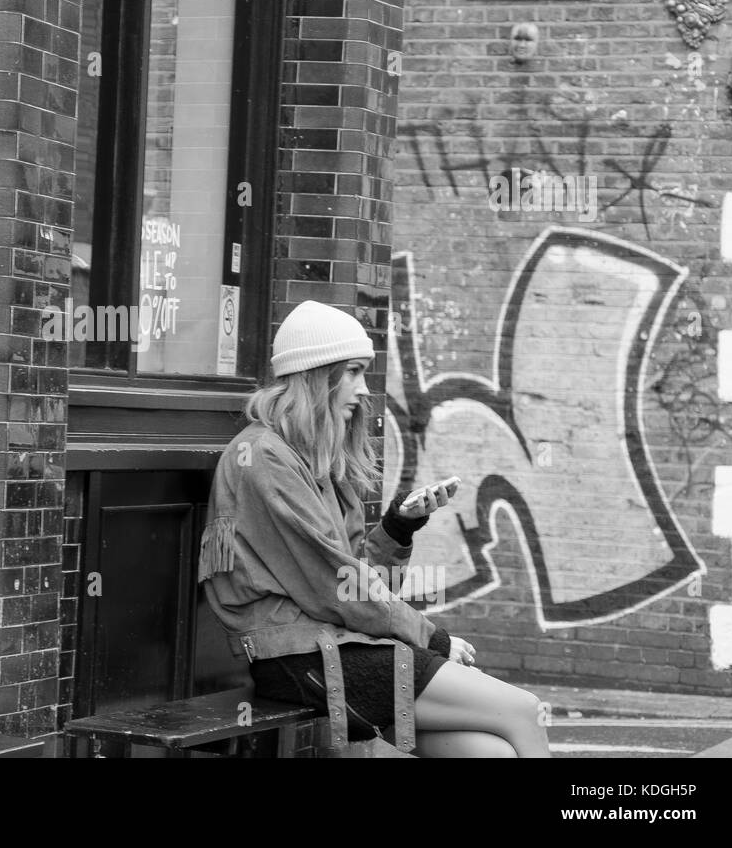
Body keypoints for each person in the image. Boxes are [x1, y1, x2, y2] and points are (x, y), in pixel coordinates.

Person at [199, 299, 551, 757]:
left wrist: (398, 528)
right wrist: (433, 638)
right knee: (522, 710)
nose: (364, 390)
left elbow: (353, 576)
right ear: (315, 373)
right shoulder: (263, 457)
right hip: (299, 657)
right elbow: (335, 587)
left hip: (339, 644)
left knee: (491, 753)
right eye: (353, 371)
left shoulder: (313, 458)